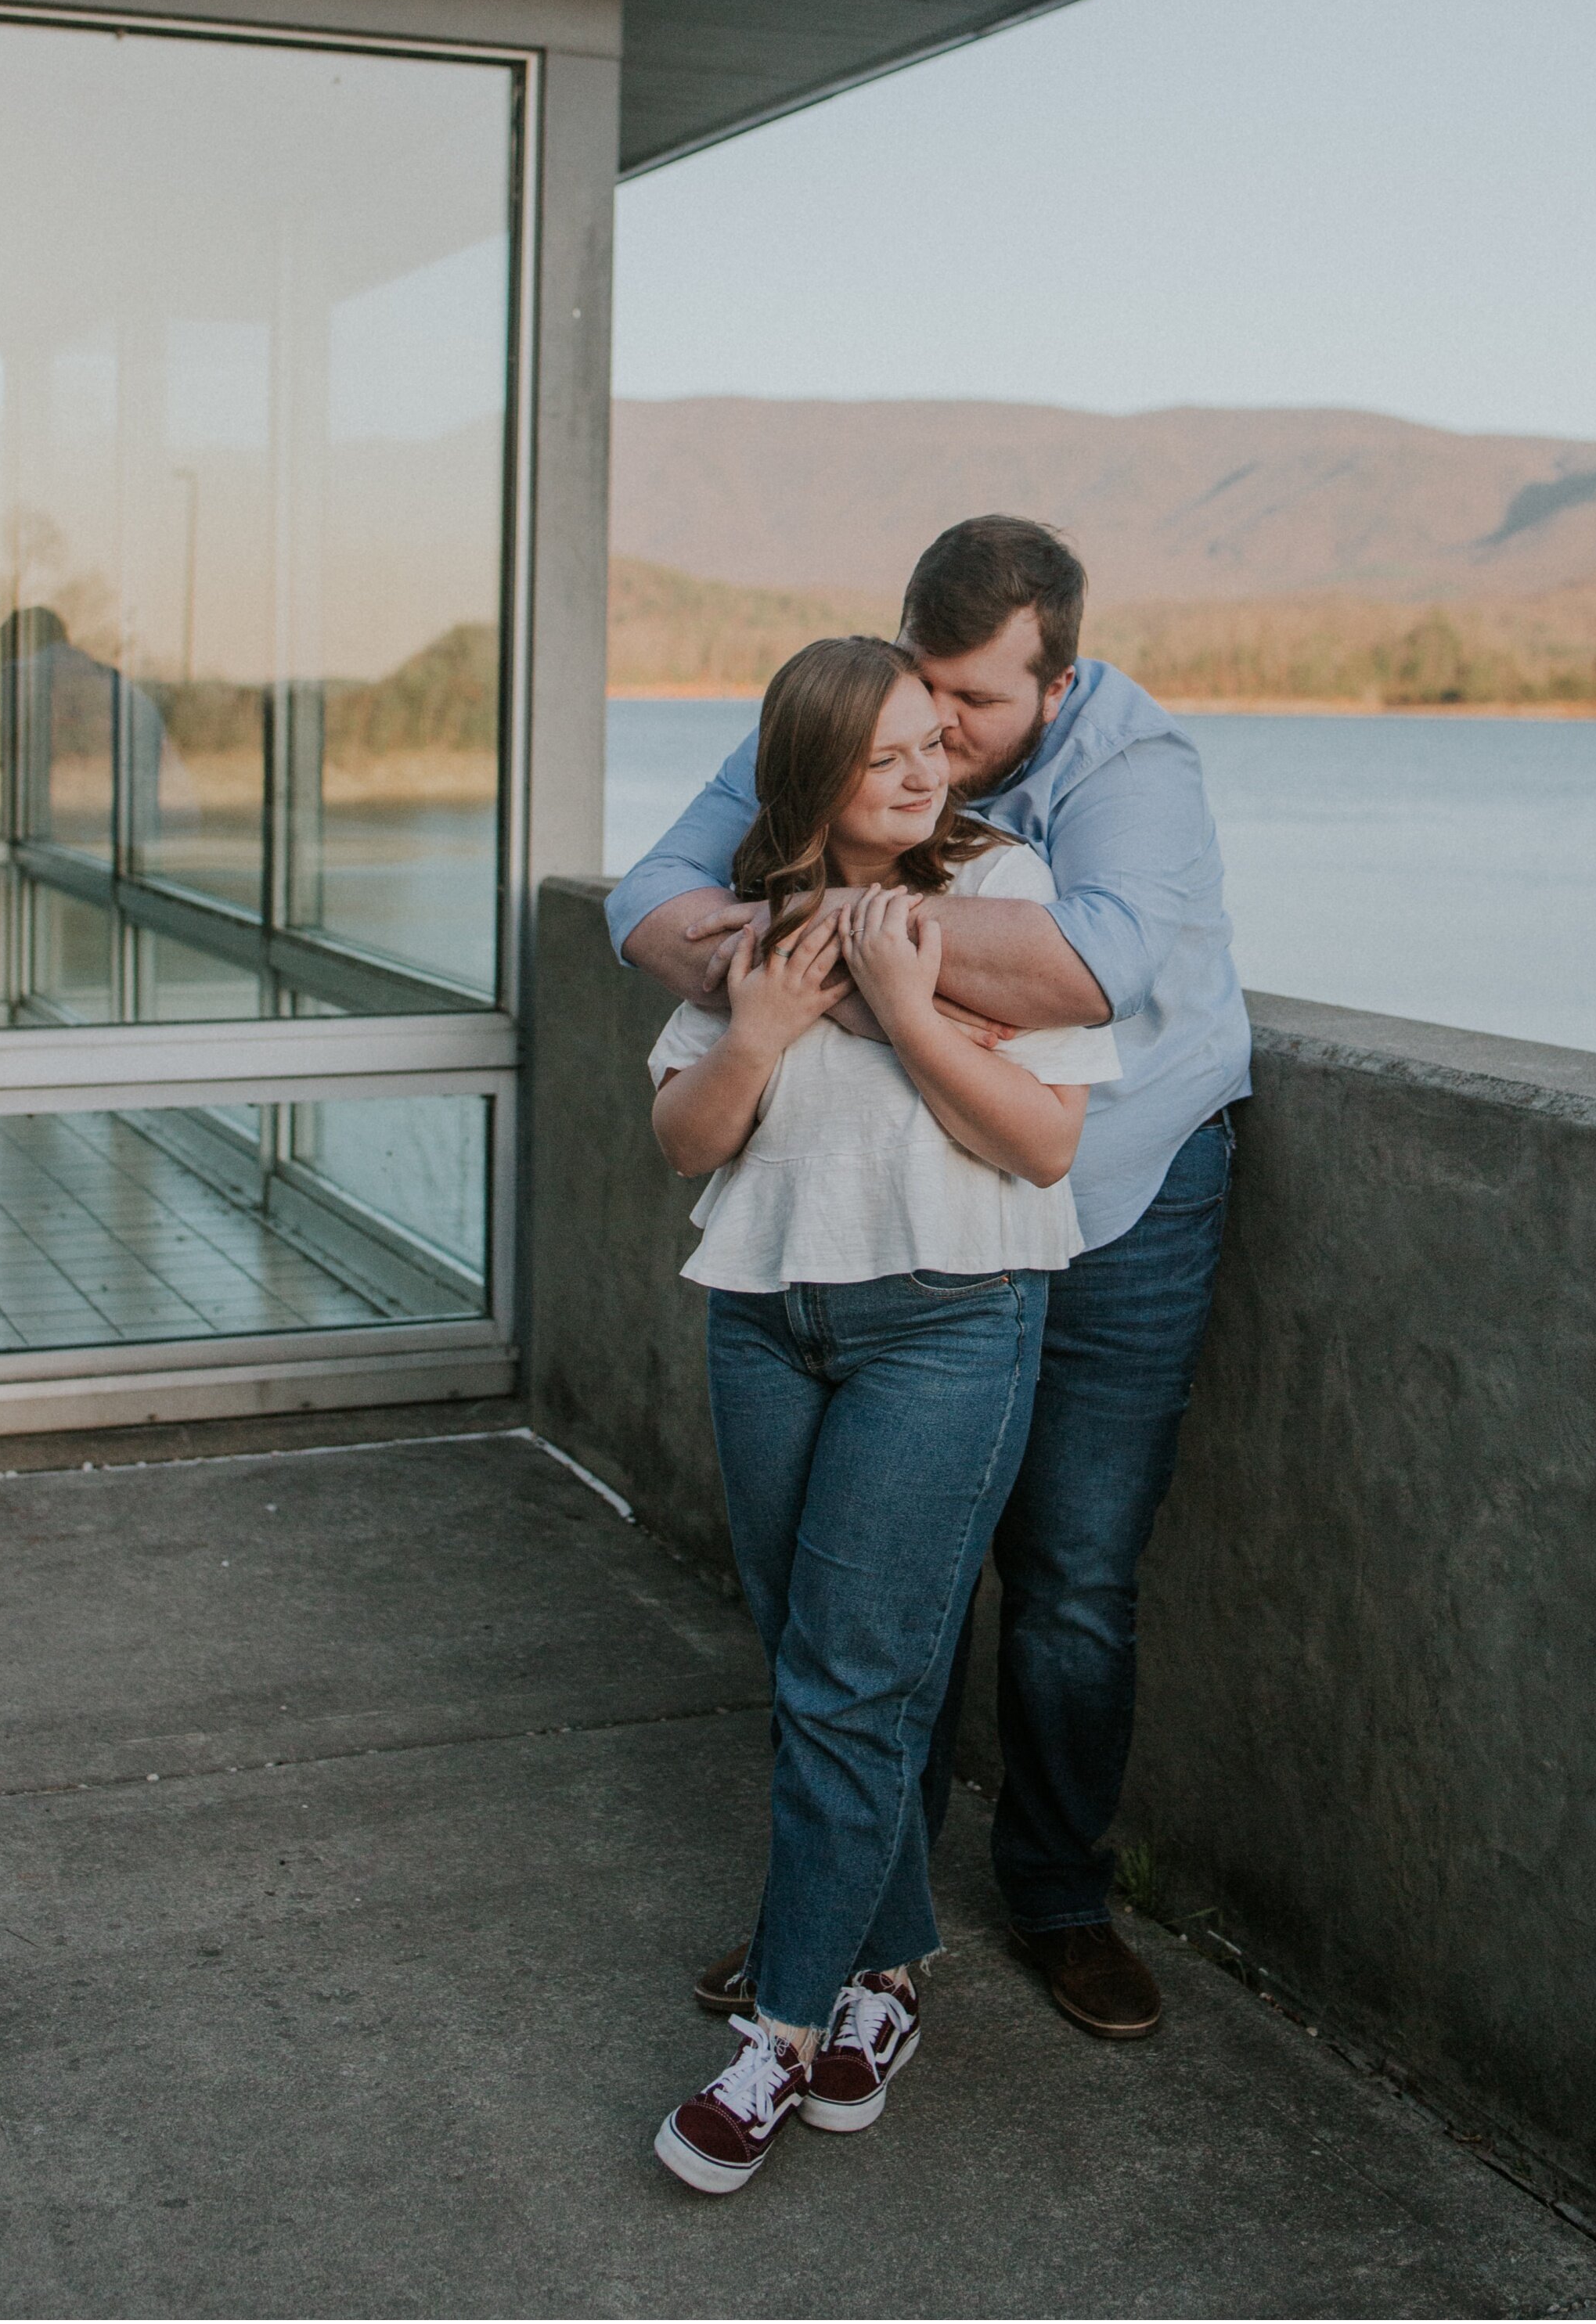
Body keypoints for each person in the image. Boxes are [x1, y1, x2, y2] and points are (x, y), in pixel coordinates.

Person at [611, 516, 1253, 2042]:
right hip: (886, 1230)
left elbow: (1075, 973)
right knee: (866, 1609)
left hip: (1124, 1188)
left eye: (973, 704)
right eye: (921, 697)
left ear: (1057, 680)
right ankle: (853, 1927)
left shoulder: (1128, 774)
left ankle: (1055, 1898)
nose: (943, 736)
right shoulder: (870, 726)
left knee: (1072, 1576)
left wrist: (824, 938)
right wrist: (789, 966)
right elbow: (646, 897)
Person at [645, 634, 1120, 2193]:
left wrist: (914, 1017)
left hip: (945, 1321)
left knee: (850, 1682)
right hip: (766, 1321)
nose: (930, 771)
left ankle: (775, 2043)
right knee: (818, 1672)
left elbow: (1045, 1147)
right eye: (890, 752)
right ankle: (891, 1971)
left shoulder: (1006, 902)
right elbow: (685, 1134)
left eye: (940, 741)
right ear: (814, 769)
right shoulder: (750, 909)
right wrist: (768, 1027)